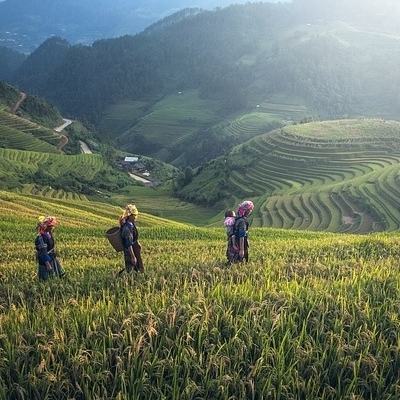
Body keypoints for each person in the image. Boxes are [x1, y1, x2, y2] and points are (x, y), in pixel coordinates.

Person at [35, 216, 66, 280]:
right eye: (51, 226)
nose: (53, 227)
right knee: (47, 278)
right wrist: (48, 265)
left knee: (61, 274)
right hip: (45, 260)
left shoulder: (48, 233)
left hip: (52, 257)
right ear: (46, 227)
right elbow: (43, 252)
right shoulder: (41, 238)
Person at [118, 204, 144, 275]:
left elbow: (134, 236)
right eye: (135, 215)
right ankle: (129, 281)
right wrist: (133, 256)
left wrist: (137, 243)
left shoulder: (131, 224)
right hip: (129, 250)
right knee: (131, 267)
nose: (136, 217)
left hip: (134, 248)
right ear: (130, 216)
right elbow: (129, 243)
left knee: (138, 266)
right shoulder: (127, 228)